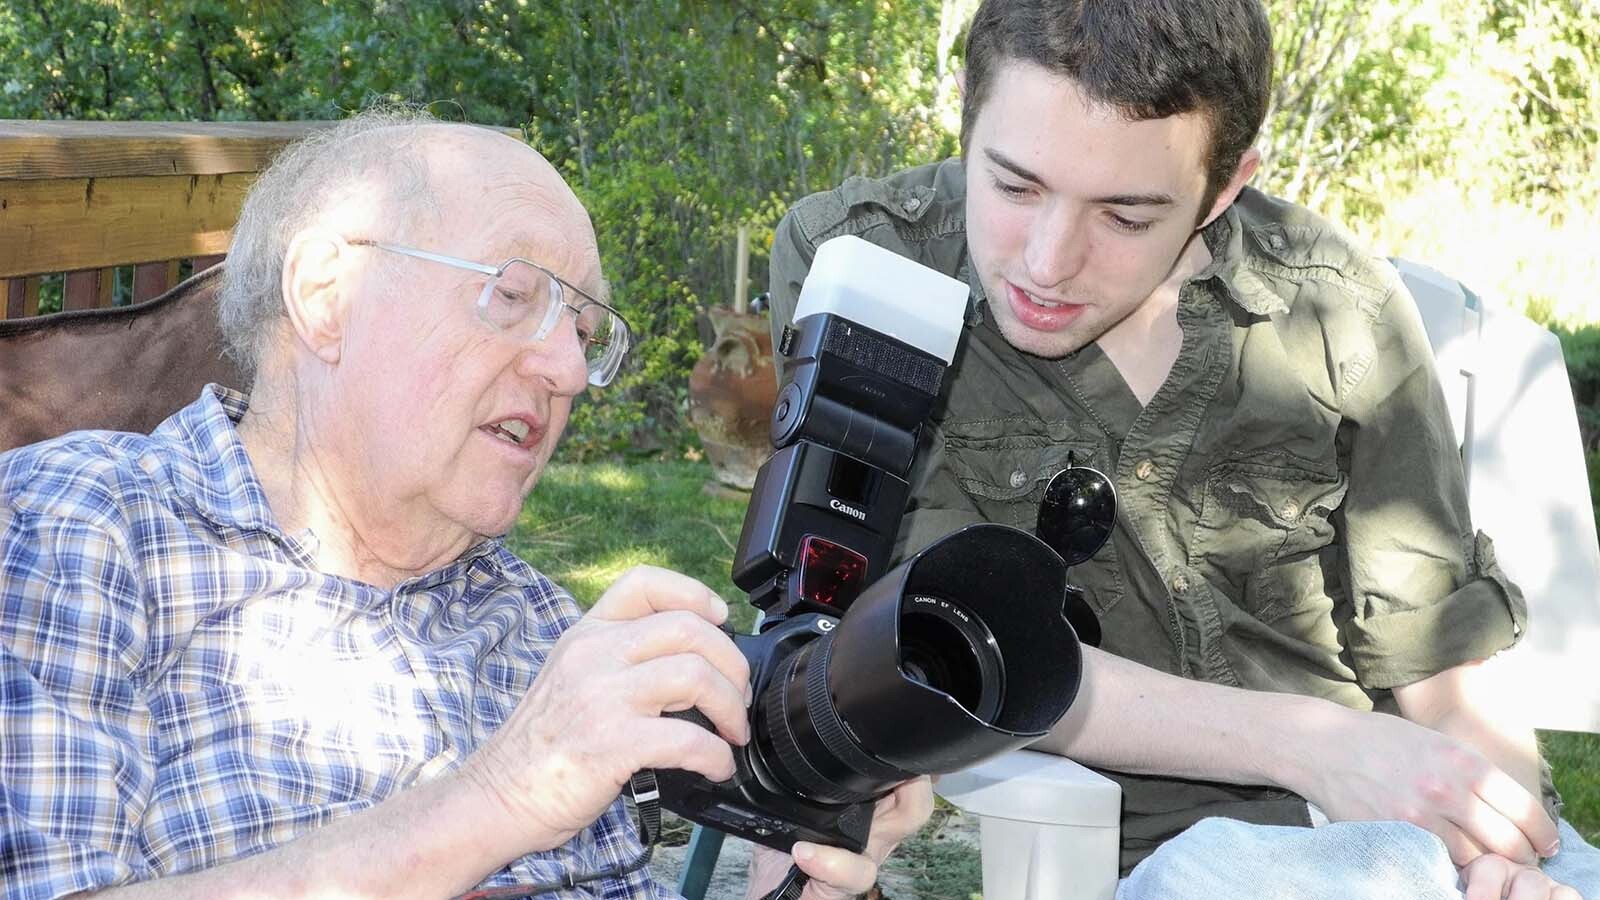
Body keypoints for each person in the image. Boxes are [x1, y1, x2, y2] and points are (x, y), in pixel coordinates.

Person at [768, 1, 1600, 898]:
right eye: (1013, 186)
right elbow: (918, 638)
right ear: (967, 104)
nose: (1047, 263)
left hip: (1386, 834)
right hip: (1153, 857)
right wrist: (1312, 746)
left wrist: (1505, 851)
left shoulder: (1335, 307)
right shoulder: (867, 269)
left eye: (1126, 218)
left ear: (1227, 185)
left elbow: (1440, 662)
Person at [0, 111, 931, 900]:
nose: (567, 370)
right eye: (512, 295)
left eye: (584, 330)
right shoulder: (80, 524)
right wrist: (505, 791)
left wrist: (792, 871)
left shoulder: (533, 622)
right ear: (327, 295)